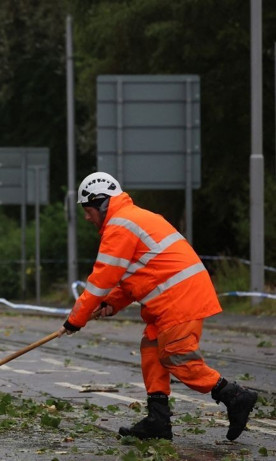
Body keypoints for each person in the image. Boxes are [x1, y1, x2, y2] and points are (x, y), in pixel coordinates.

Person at [58, 172, 258, 442]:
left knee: (178, 357)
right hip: (170, 301)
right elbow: (130, 280)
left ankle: (234, 395)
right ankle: (158, 421)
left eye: (88, 210)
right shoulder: (132, 219)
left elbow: (100, 280)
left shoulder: (120, 226)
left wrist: (75, 320)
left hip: (179, 299)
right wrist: (109, 303)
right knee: (152, 349)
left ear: (101, 203)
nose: (86, 217)